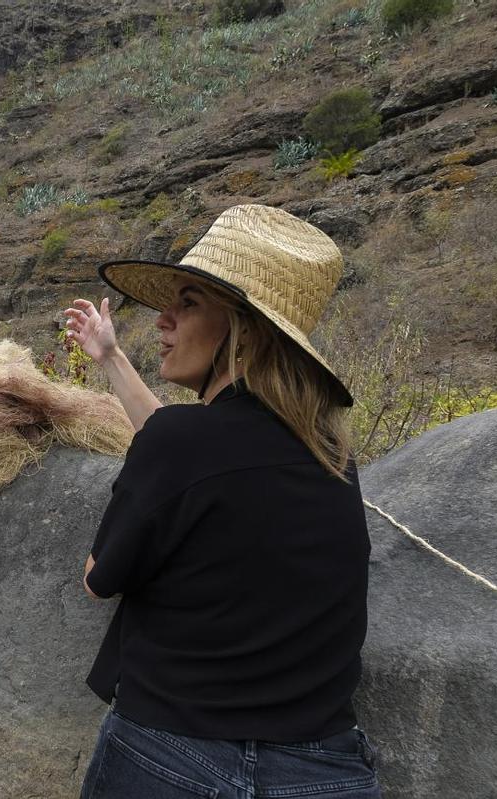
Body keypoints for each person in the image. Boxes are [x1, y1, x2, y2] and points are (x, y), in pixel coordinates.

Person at [62, 204, 381, 799]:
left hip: (169, 756)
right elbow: (194, 455)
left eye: (187, 303)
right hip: (324, 771)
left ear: (244, 331)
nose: (163, 321)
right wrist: (111, 358)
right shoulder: (332, 458)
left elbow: (99, 579)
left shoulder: (181, 445)